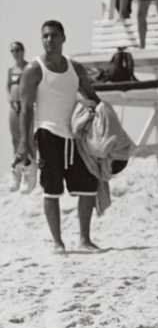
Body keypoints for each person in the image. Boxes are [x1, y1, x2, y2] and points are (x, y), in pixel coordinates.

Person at [16, 20, 102, 254]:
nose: (49, 40)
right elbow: (25, 108)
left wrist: (102, 116)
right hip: (47, 134)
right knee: (51, 189)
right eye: (45, 36)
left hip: (76, 136)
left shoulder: (75, 68)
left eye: (54, 35)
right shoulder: (34, 69)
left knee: (88, 187)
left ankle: (84, 239)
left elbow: (92, 95)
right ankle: (58, 242)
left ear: (64, 38)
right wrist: (25, 143)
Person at [7, 41, 30, 192]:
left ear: (23, 50)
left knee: (25, 136)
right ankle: (18, 169)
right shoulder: (11, 70)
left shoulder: (29, 67)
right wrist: (11, 100)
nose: (15, 53)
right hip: (13, 106)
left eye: (17, 50)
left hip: (25, 106)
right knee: (14, 137)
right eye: (12, 51)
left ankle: (28, 167)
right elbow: (8, 86)